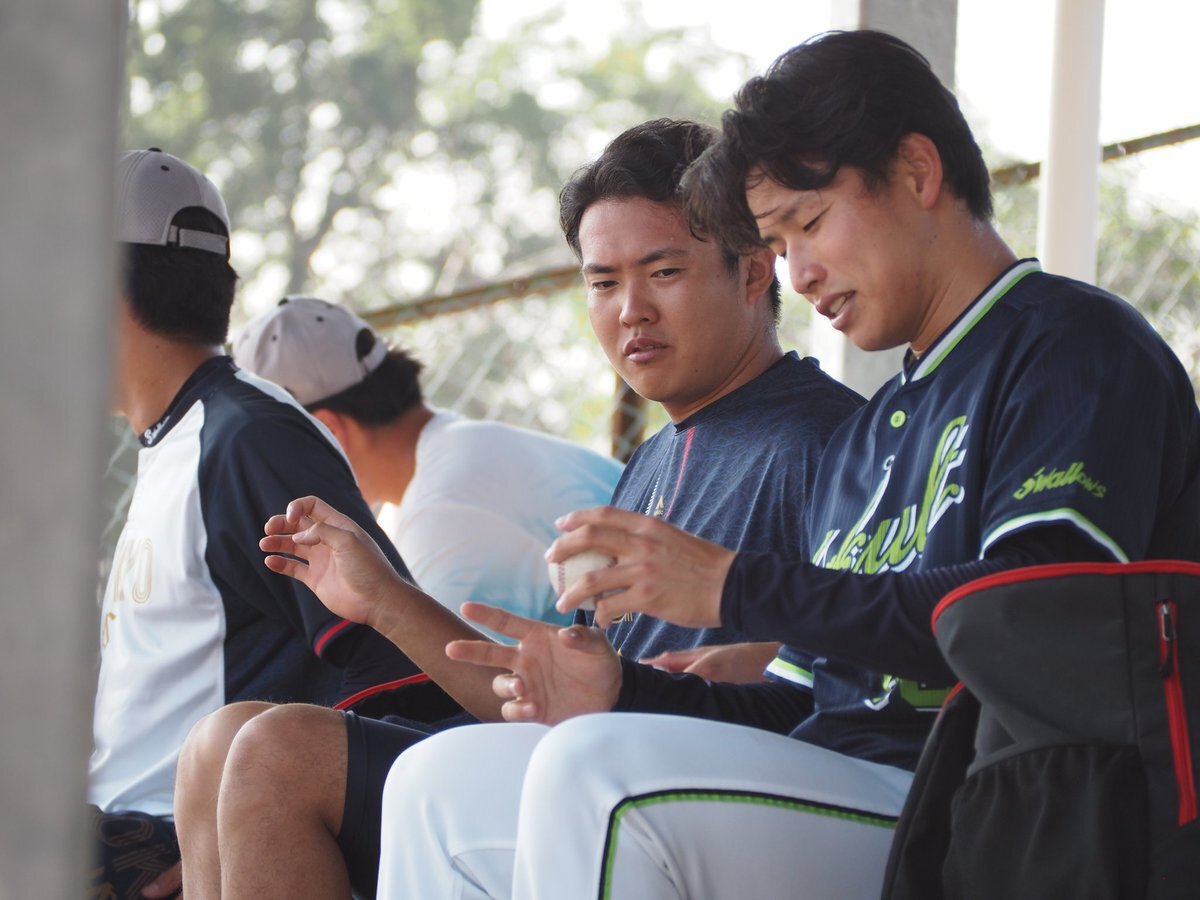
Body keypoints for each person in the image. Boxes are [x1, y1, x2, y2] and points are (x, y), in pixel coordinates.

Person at [267, 30, 1200, 899]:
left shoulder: (1067, 345)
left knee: (595, 774)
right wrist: (626, 689)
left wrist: (734, 585)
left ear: (917, 171)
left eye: (809, 223)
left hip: (989, 803)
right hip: (844, 780)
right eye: (781, 242)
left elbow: (1032, 622)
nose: (798, 272)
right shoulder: (873, 438)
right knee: (439, 778)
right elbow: (802, 707)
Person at [167, 118, 863, 899]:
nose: (630, 309)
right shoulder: (657, 458)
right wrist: (381, 599)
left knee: (279, 753)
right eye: (603, 283)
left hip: (703, 810)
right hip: (585, 776)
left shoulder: (831, 443)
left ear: (755, 271)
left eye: (663, 272)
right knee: (230, 736)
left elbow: (837, 704)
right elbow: (555, 707)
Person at [92, 149, 450, 900]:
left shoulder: (247, 437)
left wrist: (230, 835)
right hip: (131, 825)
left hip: (161, 839)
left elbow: (387, 662)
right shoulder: (179, 435)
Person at [232, 294, 624, 633]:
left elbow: (472, 684)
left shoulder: (439, 513)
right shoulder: (467, 445)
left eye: (277, 448)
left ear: (329, 430)